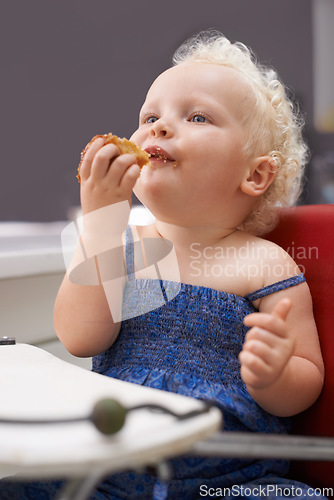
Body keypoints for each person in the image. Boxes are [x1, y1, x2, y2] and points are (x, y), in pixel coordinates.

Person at [0, 31, 325, 499]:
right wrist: (100, 221)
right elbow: (81, 336)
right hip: (107, 466)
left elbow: (307, 381)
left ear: (254, 174)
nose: (158, 127)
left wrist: (275, 376)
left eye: (197, 116)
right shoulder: (121, 244)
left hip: (230, 477)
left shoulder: (265, 263)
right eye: (149, 116)